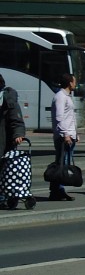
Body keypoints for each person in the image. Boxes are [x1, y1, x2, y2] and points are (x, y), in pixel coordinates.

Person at [1, 75, 32, 210]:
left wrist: (18, 134)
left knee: (3, 169)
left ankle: (3, 196)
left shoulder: (7, 100)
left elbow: (16, 120)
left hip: (4, 142)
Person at [50, 73, 78, 202]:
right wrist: (66, 134)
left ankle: (58, 190)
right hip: (63, 137)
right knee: (61, 165)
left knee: (64, 164)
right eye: (74, 81)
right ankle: (57, 191)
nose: (75, 83)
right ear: (69, 83)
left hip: (69, 135)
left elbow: (70, 117)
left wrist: (75, 134)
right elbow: (59, 117)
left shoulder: (67, 96)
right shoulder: (60, 97)